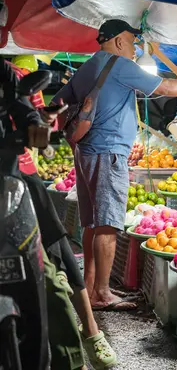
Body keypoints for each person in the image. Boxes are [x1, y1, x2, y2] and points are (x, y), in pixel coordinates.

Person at [51, 19, 177, 312]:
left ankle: (90, 287)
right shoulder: (119, 64)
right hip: (109, 154)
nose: (134, 49)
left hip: (86, 151)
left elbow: (57, 102)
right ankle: (102, 293)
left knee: (92, 221)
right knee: (107, 224)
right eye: (131, 42)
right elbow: (165, 87)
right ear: (119, 41)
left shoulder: (90, 65)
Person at [0, 59, 90, 369]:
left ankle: (72, 357)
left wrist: (35, 124)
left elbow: (21, 105)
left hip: (11, 181)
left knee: (46, 268)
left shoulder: (6, 72)